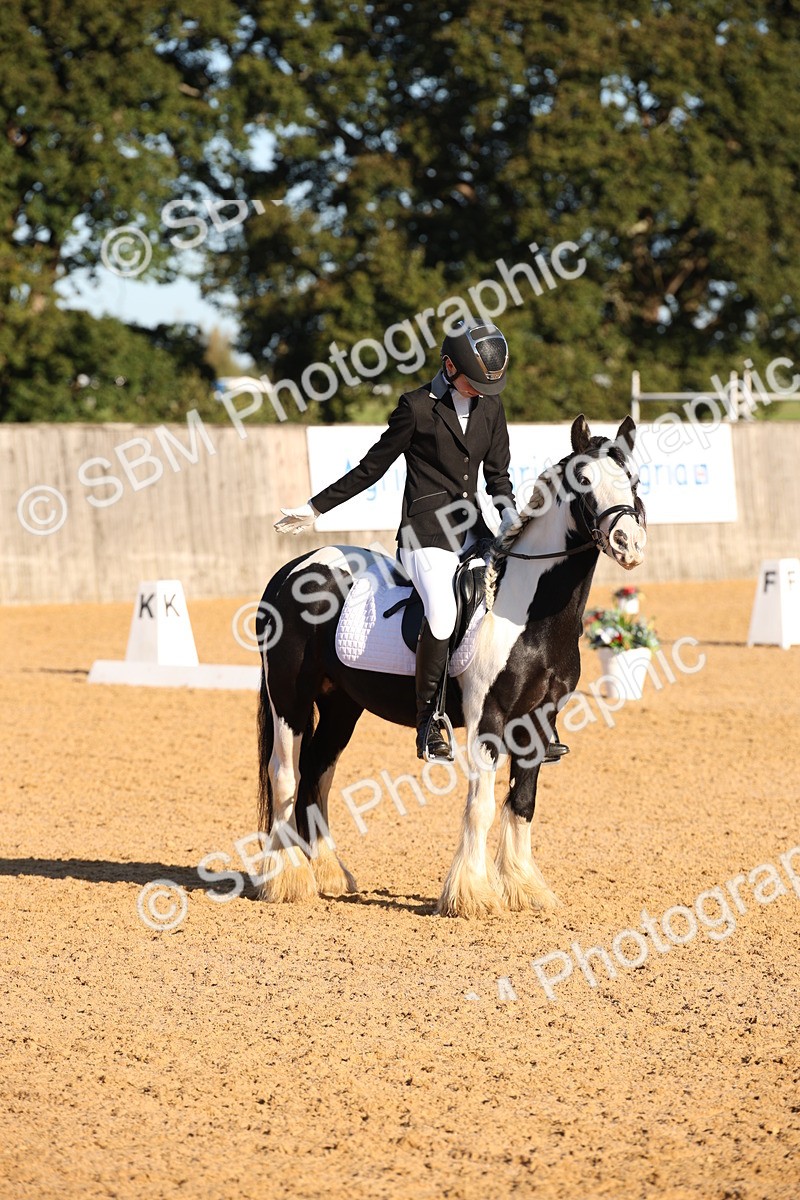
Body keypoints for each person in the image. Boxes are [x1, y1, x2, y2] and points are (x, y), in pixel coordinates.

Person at [275, 319, 520, 763]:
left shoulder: (490, 407)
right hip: (425, 536)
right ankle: (430, 721)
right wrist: (314, 509)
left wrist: (507, 513)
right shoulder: (417, 408)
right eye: (476, 383)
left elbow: (498, 474)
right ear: (449, 366)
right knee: (443, 615)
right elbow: (371, 468)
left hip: (475, 533)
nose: (485, 392)